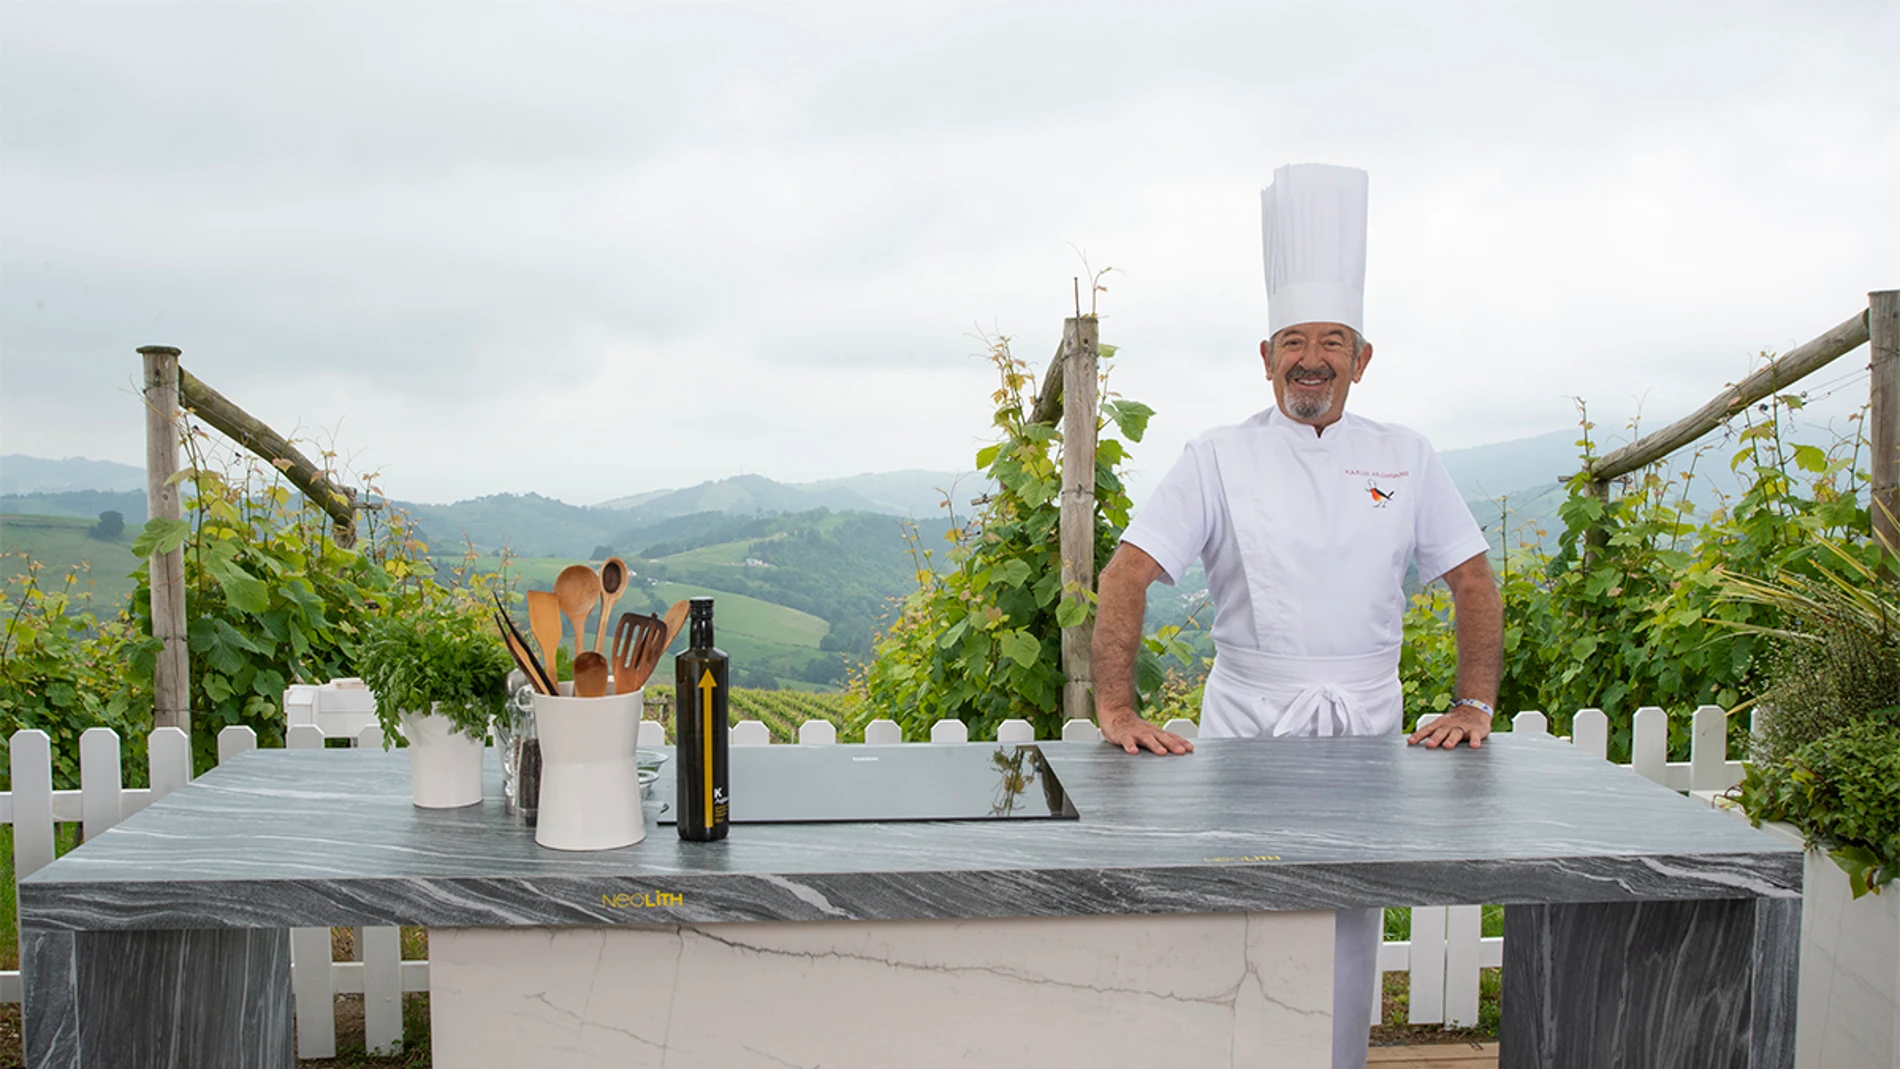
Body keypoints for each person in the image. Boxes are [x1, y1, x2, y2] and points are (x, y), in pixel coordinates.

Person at [1089, 163, 1504, 1069]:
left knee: (1348, 935)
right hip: (1245, 736)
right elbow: (1125, 574)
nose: (1310, 357)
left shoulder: (1407, 453)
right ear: (1266, 354)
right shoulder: (1217, 456)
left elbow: (1472, 578)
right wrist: (1115, 713)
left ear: (1361, 357)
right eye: (1292, 339)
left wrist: (1474, 703)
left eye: (1332, 339)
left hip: (1365, 735)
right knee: (1236, 929)